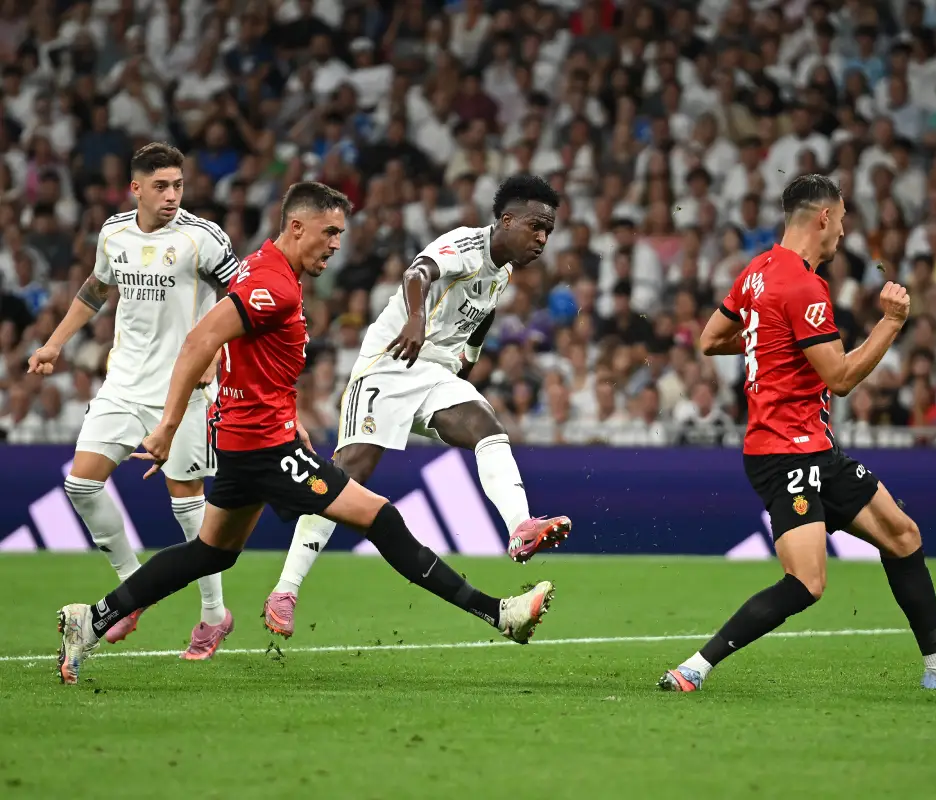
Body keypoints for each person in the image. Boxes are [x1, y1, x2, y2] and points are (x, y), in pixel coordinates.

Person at [55, 182, 555, 686]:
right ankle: (499, 614)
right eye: (329, 232)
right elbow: (199, 340)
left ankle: (90, 619)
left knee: (211, 552)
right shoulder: (272, 285)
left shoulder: (264, 270)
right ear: (297, 226)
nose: (336, 244)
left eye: (341, 233)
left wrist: (286, 416)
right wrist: (167, 425)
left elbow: (251, 360)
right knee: (381, 517)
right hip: (263, 446)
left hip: (248, 436)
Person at [658, 174, 936, 693]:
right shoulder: (803, 284)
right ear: (823, 217)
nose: (842, 231)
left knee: (903, 535)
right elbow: (839, 378)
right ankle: (694, 669)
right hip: (783, 453)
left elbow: (711, 339)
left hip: (815, 448)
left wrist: (771, 346)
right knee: (808, 583)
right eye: (841, 220)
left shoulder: (756, 271)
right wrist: (891, 322)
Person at [262, 174, 571, 637]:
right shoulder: (466, 246)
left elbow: (481, 317)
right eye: (535, 227)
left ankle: (520, 526)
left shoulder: (503, 271)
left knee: (488, 426)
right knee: (345, 479)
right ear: (506, 220)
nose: (542, 238)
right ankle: (285, 589)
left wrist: (469, 357)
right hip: (390, 362)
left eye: (548, 230)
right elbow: (417, 273)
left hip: (433, 373)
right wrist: (414, 320)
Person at [29, 142, 240, 660]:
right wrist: (56, 342)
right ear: (137, 188)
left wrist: (217, 355)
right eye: (162, 186)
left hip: (183, 388)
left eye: (178, 185)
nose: (172, 196)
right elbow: (96, 290)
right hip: (123, 382)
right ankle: (130, 590)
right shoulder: (114, 233)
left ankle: (214, 614)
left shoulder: (202, 238)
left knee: (189, 507)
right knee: (80, 482)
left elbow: (246, 301)